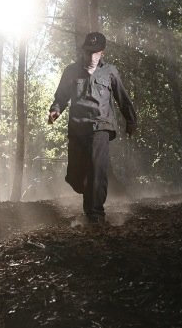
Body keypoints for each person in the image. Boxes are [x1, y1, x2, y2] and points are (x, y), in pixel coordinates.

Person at [48, 32, 137, 224]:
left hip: (101, 126)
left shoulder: (110, 72)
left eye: (94, 53)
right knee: (75, 176)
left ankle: (95, 215)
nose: (90, 56)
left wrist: (131, 121)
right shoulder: (71, 71)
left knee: (97, 170)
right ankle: (87, 192)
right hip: (77, 127)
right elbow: (61, 97)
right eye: (87, 52)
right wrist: (55, 110)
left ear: (102, 52)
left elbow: (123, 98)